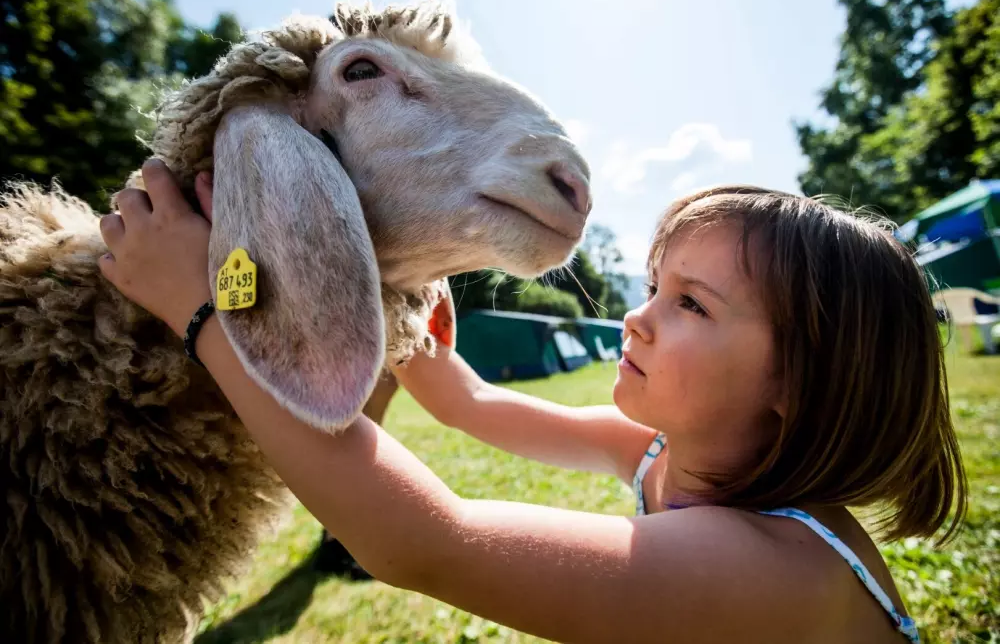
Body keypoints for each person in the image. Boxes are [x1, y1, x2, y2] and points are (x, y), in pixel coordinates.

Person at [98, 159, 967, 643]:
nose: (636, 316)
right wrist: (408, 312)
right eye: (655, 286)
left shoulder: (764, 568)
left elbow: (424, 544)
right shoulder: (666, 456)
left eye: (690, 304)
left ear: (798, 386)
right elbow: (468, 403)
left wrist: (202, 311)